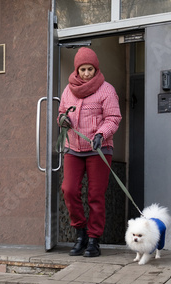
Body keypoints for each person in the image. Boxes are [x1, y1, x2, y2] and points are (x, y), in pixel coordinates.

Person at [58, 47, 122, 257]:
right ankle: (81, 233)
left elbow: (113, 118)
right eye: (83, 69)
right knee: (69, 190)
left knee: (95, 195)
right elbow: (61, 113)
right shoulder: (68, 90)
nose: (86, 74)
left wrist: (101, 134)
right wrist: (62, 120)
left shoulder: (107, 90)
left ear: (96, 69)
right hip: (73, 148)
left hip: (98, 149)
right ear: (77, 70)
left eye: (90, 69)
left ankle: (94, 240)